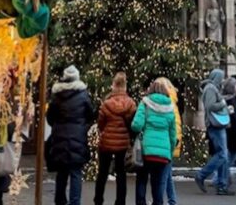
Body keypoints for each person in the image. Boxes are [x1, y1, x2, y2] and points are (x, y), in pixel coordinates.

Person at [45, 65, 94, 205]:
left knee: (61, 173)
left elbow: (50, 118)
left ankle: (60, 201)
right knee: (76, 173)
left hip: (59, 138)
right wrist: (82, 127)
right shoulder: (83, 95)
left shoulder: (57, 96)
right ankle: (75, 202)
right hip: (78, 138)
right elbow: (90, 115)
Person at [132, 78, 177, 205]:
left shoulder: (145, 103)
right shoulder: (170, 108)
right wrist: (170, 150)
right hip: (163, 154)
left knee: (141, 179)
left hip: (146, 151)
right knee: (157, 184)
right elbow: (172, 134)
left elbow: (136, 125)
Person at [95, 72, 136, 205]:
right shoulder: (130, 104)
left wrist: (104, 131)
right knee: (121, 173)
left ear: (113, 85)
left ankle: (99, 200)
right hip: (122, 143)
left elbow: (100, 123)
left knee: (102, 172)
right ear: (125, 86)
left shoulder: (106, 103)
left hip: (106, 142)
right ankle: (120, 201)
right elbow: (132, 124)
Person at [195, 69, 231, 195]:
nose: (222, 80)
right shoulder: (210, 88)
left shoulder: (213, 88)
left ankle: (222, 185)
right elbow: (211, 106)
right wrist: (222, 103)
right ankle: (201, 175)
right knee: (222, 155)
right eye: (221, 77)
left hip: (217, 125)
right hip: (214, 125)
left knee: (223, 156)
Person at [154, 78, 182, 205]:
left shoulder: (166, 102)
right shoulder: (172, 100)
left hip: (169, 142)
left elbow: (172, 125)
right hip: (173, 141)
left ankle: (159, 201)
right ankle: (172, 201)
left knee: (162, 177)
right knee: (167, 175)